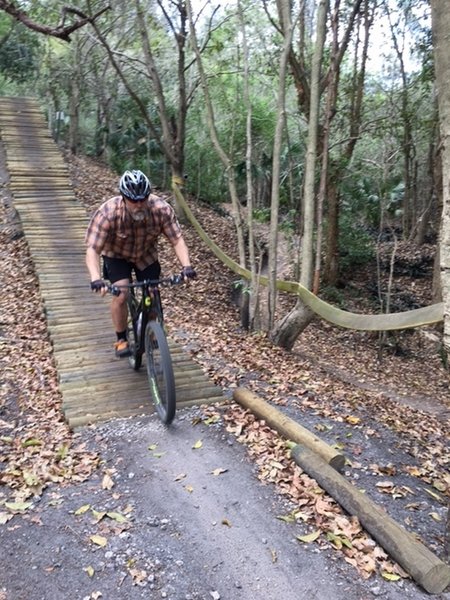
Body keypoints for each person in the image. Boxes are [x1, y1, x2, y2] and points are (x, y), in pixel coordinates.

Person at [85, 169, 196, 357]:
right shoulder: (108, 213)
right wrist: (96, 278)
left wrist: (187, 267)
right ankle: (121, 338)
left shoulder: (161, 209)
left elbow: (177, 239)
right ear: (123, 198)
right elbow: (93, 249)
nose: (139, 204)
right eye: (133, 200)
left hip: (146, 255)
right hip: (116, 255)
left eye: (143, 199)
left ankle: (152, 330)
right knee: (122, 293)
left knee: (152, 293)